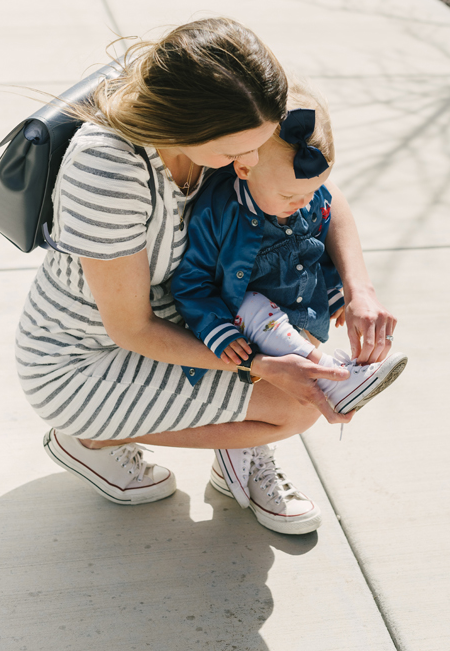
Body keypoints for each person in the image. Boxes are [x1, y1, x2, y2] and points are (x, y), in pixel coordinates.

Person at [16, 17, 397, 536]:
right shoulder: (109, 170)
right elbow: (132, 329)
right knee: (294, 408)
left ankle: (236, 453)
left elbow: (317, 190)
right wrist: (258, 366)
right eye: (238, 153)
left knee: (292, 330)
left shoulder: (235, 130)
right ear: (187, 126)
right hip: (84, 356)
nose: (250, 162)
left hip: (180, 314)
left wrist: (358, 290)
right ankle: (88, 439)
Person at [170, 78, 407, 517]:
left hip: (298, 310)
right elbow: (191, 283)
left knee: (277, 399)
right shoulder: (219, 212)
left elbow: (317, 245)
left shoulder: (306, 197)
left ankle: (245, 460)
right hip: (241, 321)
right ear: (243, 166)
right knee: (264, 324)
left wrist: (338, 292)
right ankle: (333, 374)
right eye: (289, 195)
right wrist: (216, 329)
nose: (303, 204)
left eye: (313, 191)